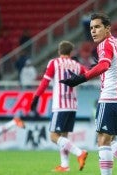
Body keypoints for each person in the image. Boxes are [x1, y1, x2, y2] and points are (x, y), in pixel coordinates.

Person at [59, 13, 117, 175]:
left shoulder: (104, 45)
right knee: (109, 139)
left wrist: (81, 78)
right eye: (91, 28)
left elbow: (103, 65)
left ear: (107, 28)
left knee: (102, 139)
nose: (93, 31)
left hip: (110, 97)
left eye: (97, 27)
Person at [30, 41, 88, 172]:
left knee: (54, 136)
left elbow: (45, 82)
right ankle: (65, 165)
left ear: (59, 51)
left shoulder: (54, 63)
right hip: (72, 105)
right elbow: (89, 74)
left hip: (60, 105)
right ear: (71, 52)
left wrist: (36, 97)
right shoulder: (77, 65)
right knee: (64, 136)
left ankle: (79, 153)